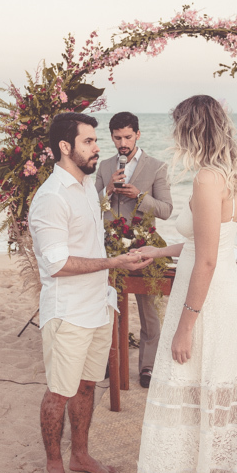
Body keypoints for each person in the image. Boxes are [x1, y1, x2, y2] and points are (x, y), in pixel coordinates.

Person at [131, 95, 237, 473]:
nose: (174, 137)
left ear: (192, 129)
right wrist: (157, 252)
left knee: (195, 393)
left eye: (178, 129)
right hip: (220, 294)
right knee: (207, 400)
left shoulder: (209, 179)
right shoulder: (231, 172)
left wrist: (185, 325)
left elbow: (207, 258)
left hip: (208, 303)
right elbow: (204, 243)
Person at [28, 111, 153, 473]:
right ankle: (54, 465)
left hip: (98, 306)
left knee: (87, 386)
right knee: (59, 392)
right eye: (89, 141)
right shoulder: (51, 198)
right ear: (65, 147)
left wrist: (122, 258)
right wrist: (113, 264)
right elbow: (58, 264)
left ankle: (81, 455)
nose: (99, 147)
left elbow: (90, 246)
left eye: (97, 140)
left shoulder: (85, 188)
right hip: (67, 312)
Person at [95, 111, 173, 387]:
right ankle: (110, 362)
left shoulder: (157, 167)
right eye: (117, 138)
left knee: (149, 312)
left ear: (138, 134)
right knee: (108, 308)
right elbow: (89, 208)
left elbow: (166, 210)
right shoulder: (104, 166)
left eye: (128, 137)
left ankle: (148, 367)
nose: (122, 143)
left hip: (144, 248)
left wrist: (139, 197)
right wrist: (107, 193)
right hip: (110, 250)